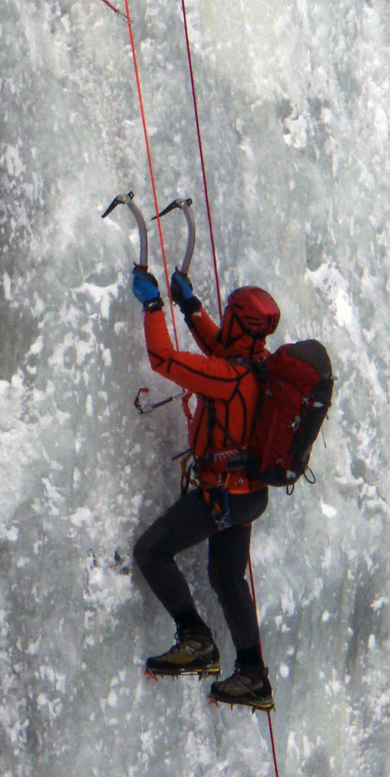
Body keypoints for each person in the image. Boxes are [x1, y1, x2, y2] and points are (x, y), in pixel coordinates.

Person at [130, 265, 280, 710]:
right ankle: (254, 674)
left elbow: (164, 358)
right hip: (249, 495)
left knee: (151, 552)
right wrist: (191, 306)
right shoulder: (261, 366)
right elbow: (221, 346)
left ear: (238, 320)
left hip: (223, 497)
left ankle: (196, 640)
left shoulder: (226, 377)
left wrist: (154, 306)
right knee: (226, 576)